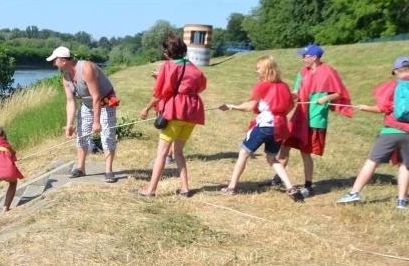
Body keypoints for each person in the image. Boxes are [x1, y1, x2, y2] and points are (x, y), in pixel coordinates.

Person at [338, 57, 409, 209]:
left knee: (372, 162)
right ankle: (402, 200)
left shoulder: (391, 86)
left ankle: (354, 193)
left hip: (391, 130)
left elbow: (381, 108)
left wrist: (366, 108)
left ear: (395, 71)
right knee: (405, 166)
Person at [218, 56, 305, 200]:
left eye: (258, 67)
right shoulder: (283, 85)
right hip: (279, 127)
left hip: (265, 125)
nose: (256, 70)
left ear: (265, 69)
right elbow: (290, 99)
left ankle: (231, 187)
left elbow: (249, 106)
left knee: (243, 154)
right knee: (272, 158)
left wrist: (231, 106)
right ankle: (290, 187)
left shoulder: (262, 85)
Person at [276, 45, 353, 193]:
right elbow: (296, 92)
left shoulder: (329, 72)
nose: (302, 59)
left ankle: (308, 185)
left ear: (314, 57)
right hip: (300, 115)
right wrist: (286, 97)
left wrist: (326, 98)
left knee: (305, 151)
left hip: (316, 117)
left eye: (305, 56)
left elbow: (340, 93)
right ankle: (277, 179)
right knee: (285, 146)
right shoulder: (302, 72)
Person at [137, 35, 207, 197]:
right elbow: (201, 85)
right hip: (193, 112)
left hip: (176, 111)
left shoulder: (168, 66)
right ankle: (185, 188)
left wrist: (147, 107)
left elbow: (160, 93)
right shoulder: (193, 67)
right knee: (178, 152)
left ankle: (151, 190)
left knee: (162, 153)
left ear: (168, 52)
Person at [48, 46, 121, 183]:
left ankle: (109, 171)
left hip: (104, 101)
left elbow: (96, 96)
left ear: (63, 61)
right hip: (88, 104)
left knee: (107, 135)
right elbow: (70, 101)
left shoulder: (86, 69)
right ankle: (81, 168)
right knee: (82, 134)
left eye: (55, 60)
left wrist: (96, 121)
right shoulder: (66, 78)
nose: (53, 64)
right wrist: (69, 124)